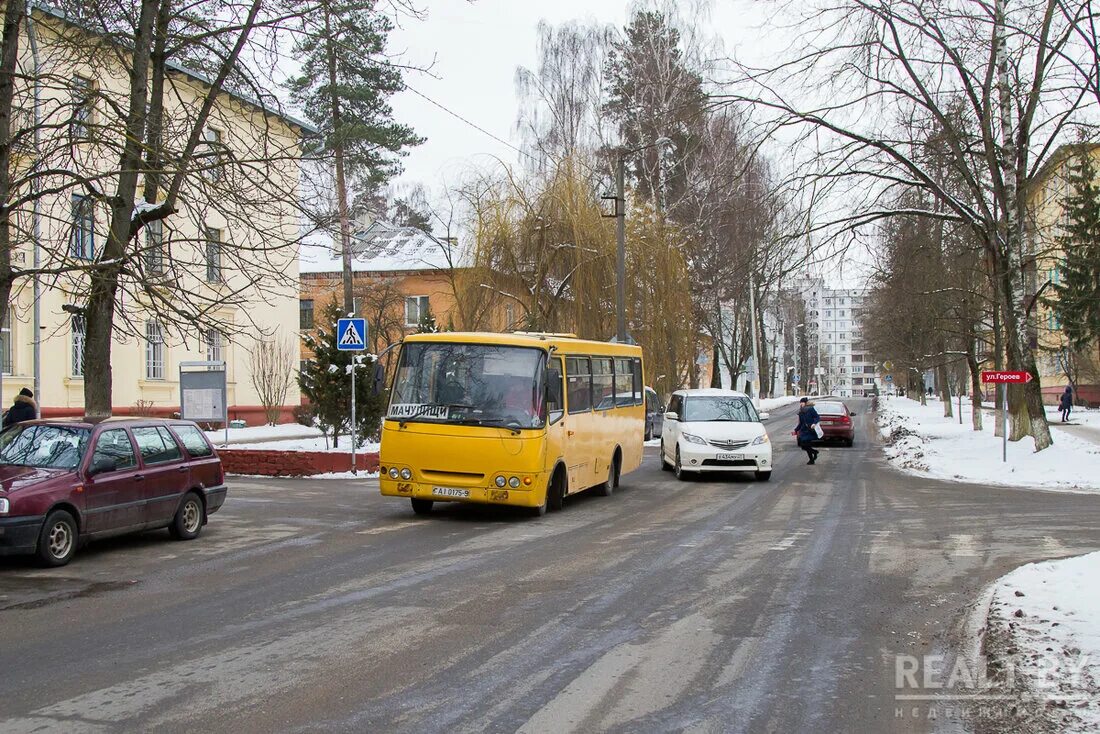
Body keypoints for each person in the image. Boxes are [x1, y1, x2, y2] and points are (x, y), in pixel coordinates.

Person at [793, 396, 821, 465]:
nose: (801, 404)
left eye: (802, 402)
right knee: (803, 446)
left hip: (810, 430)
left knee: (806, 444)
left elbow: (817, 417)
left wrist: (814, 423)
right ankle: (814, 452)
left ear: (806, 403)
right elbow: (801, 423)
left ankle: (811, 460)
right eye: (800, 403)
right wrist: (796, 430)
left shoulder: (811, 409)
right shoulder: (801, 411)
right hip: (804, 430)